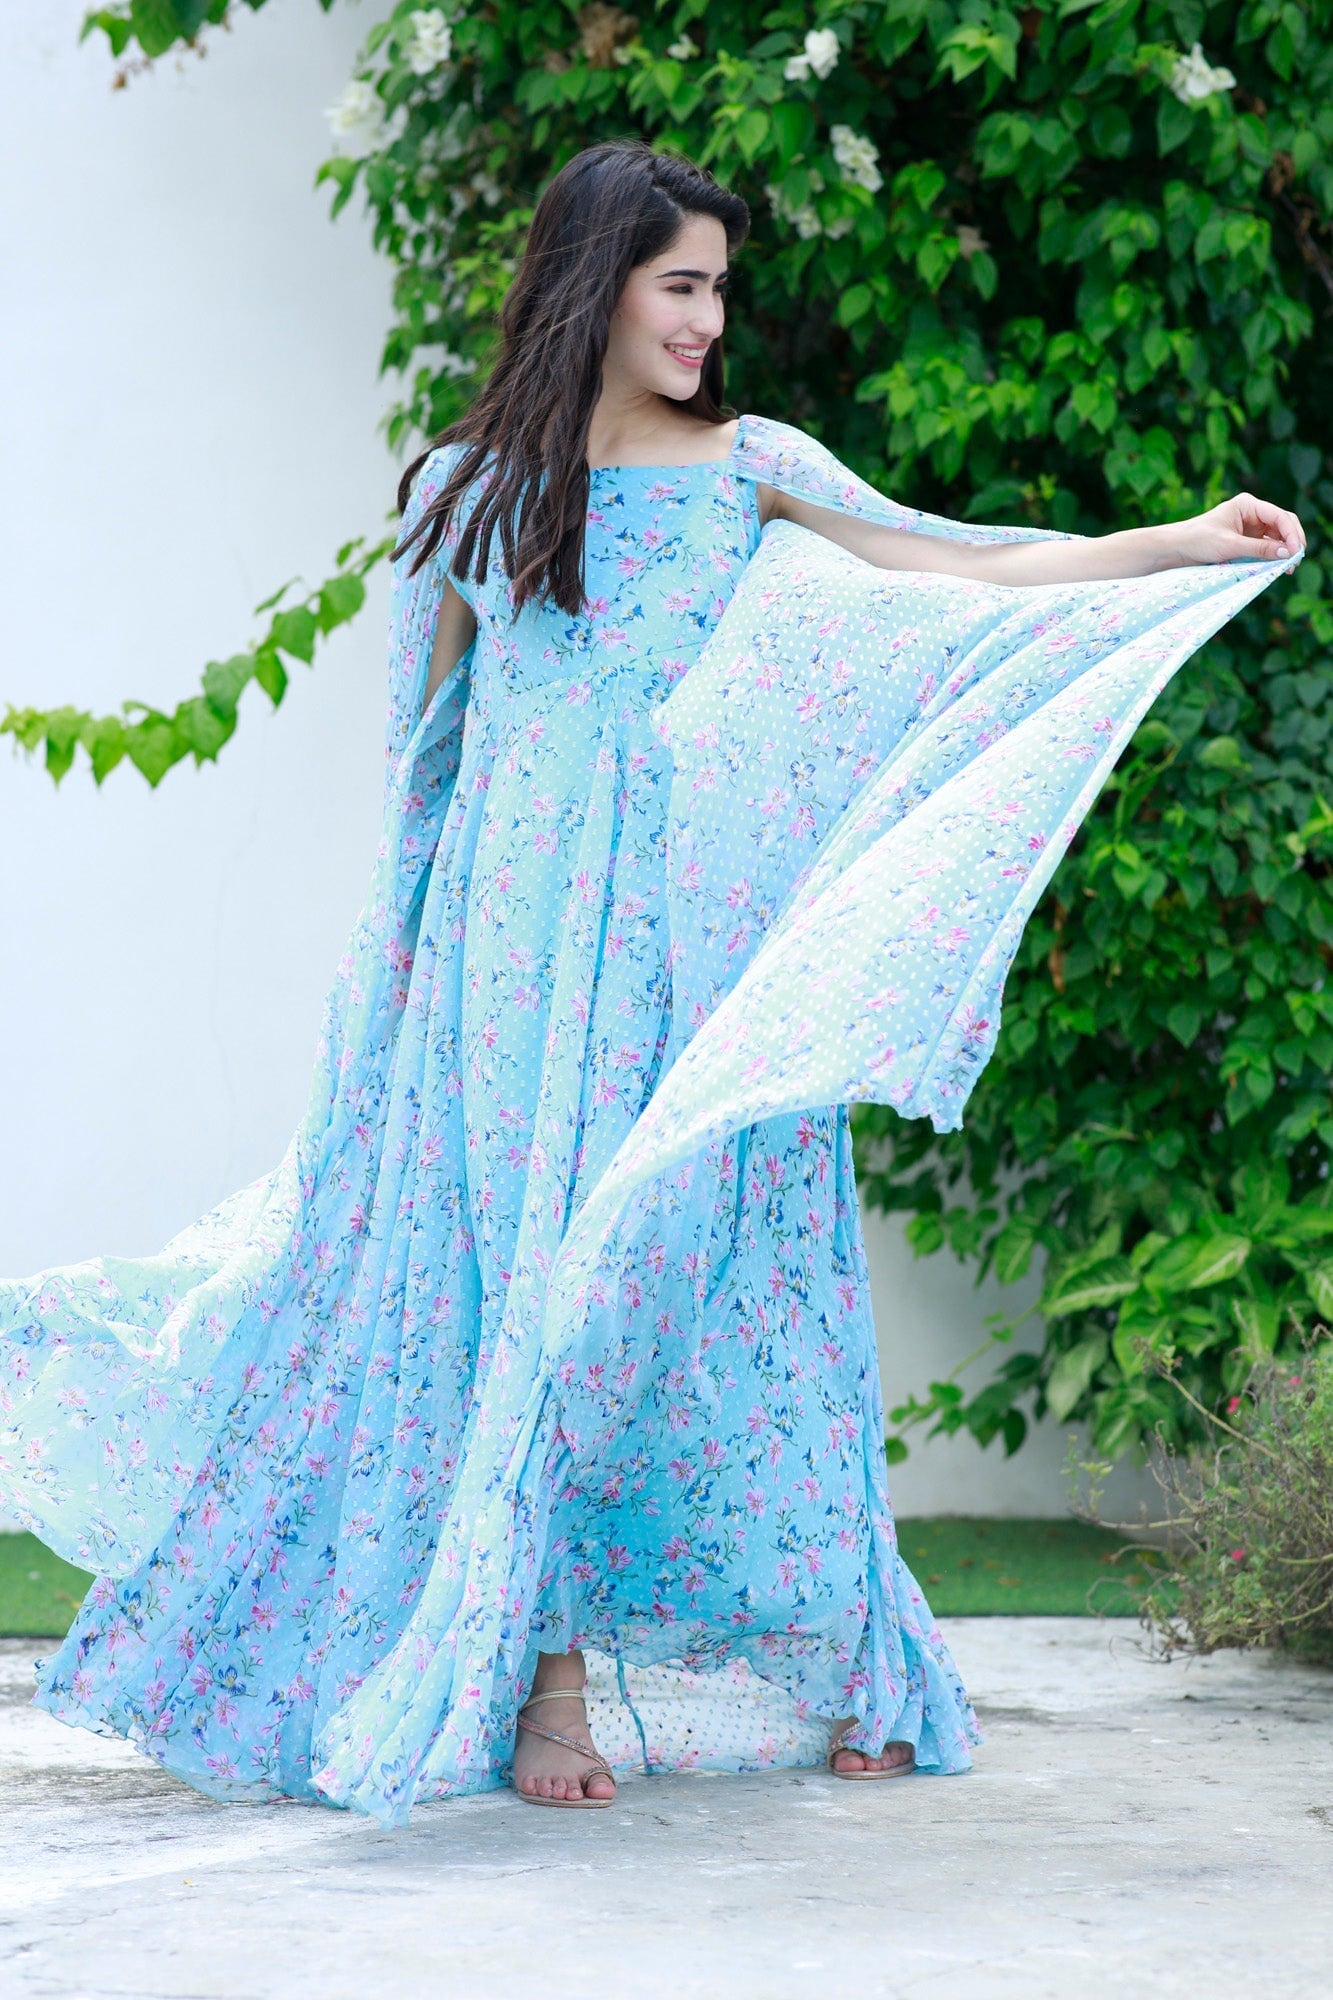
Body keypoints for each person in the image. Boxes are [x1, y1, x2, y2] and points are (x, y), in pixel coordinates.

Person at [0, 141, 1303, 1821]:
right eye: (680, 286)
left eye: (717, 291)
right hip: (508, 959)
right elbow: (420, 763)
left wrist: (1180, 541)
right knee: (532, 1291)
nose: (707, 321)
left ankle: (854, 1658)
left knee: (743, 1275)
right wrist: (393, 998)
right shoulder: (465, 491)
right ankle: (547, 1690)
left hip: (691, 935)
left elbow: (960, 566)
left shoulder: (749, 464)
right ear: (595, 282)